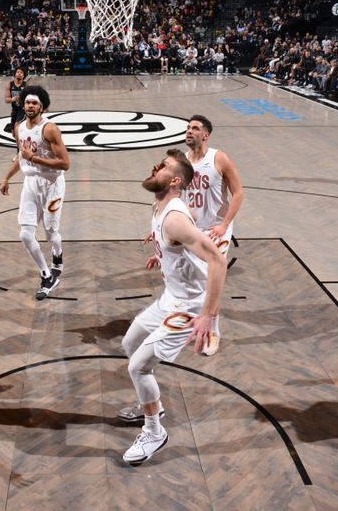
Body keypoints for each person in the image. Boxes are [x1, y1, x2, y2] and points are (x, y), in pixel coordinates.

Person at [117, 149, 226, 466]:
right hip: (171, 296)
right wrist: (163, 252)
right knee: (129, 343)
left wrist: (208, 316)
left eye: (163, 166)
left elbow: (218, 261)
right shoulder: (160, 206)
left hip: (189, 306)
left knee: (137, 366)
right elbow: (175, 243)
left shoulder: (175, 219)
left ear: (175, 180)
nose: (155, 166)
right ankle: (152, 403)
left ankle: (154, 431)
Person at [0, 86, 69, 300]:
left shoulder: (49, 129)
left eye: (34, 103)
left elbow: (65, 163)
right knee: (25, 234)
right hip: (30, 182)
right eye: (28, 102)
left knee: (50, 234)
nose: (30, 106)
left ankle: (57, 253)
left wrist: (35, 159)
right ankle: (47, 275)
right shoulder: (19, 128)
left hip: (52, 183)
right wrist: (6, 177)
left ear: (42, 107)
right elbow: (22, 156)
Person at [181, 115, 243, 356]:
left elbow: (238, 194)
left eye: (194, 128)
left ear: (205, 134)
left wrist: (224, 224)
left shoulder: (219, 158)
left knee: (211, 282)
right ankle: (199, 321)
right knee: (193, 282)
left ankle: (214, 331)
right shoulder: (181, 161)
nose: (189, 131)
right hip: (194, 229)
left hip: (218, 228)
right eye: (187, 127)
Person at [4, 67, 26, 132]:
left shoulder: (26, 85)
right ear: (15, 74)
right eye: (18, 72)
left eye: (21, 73)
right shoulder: (9, 85)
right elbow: (6, 100)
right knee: (13, 131)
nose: (19, 74)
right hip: (14, 110)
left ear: (23, 75)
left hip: (22, 110)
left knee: (17, 126)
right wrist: (13, 99)